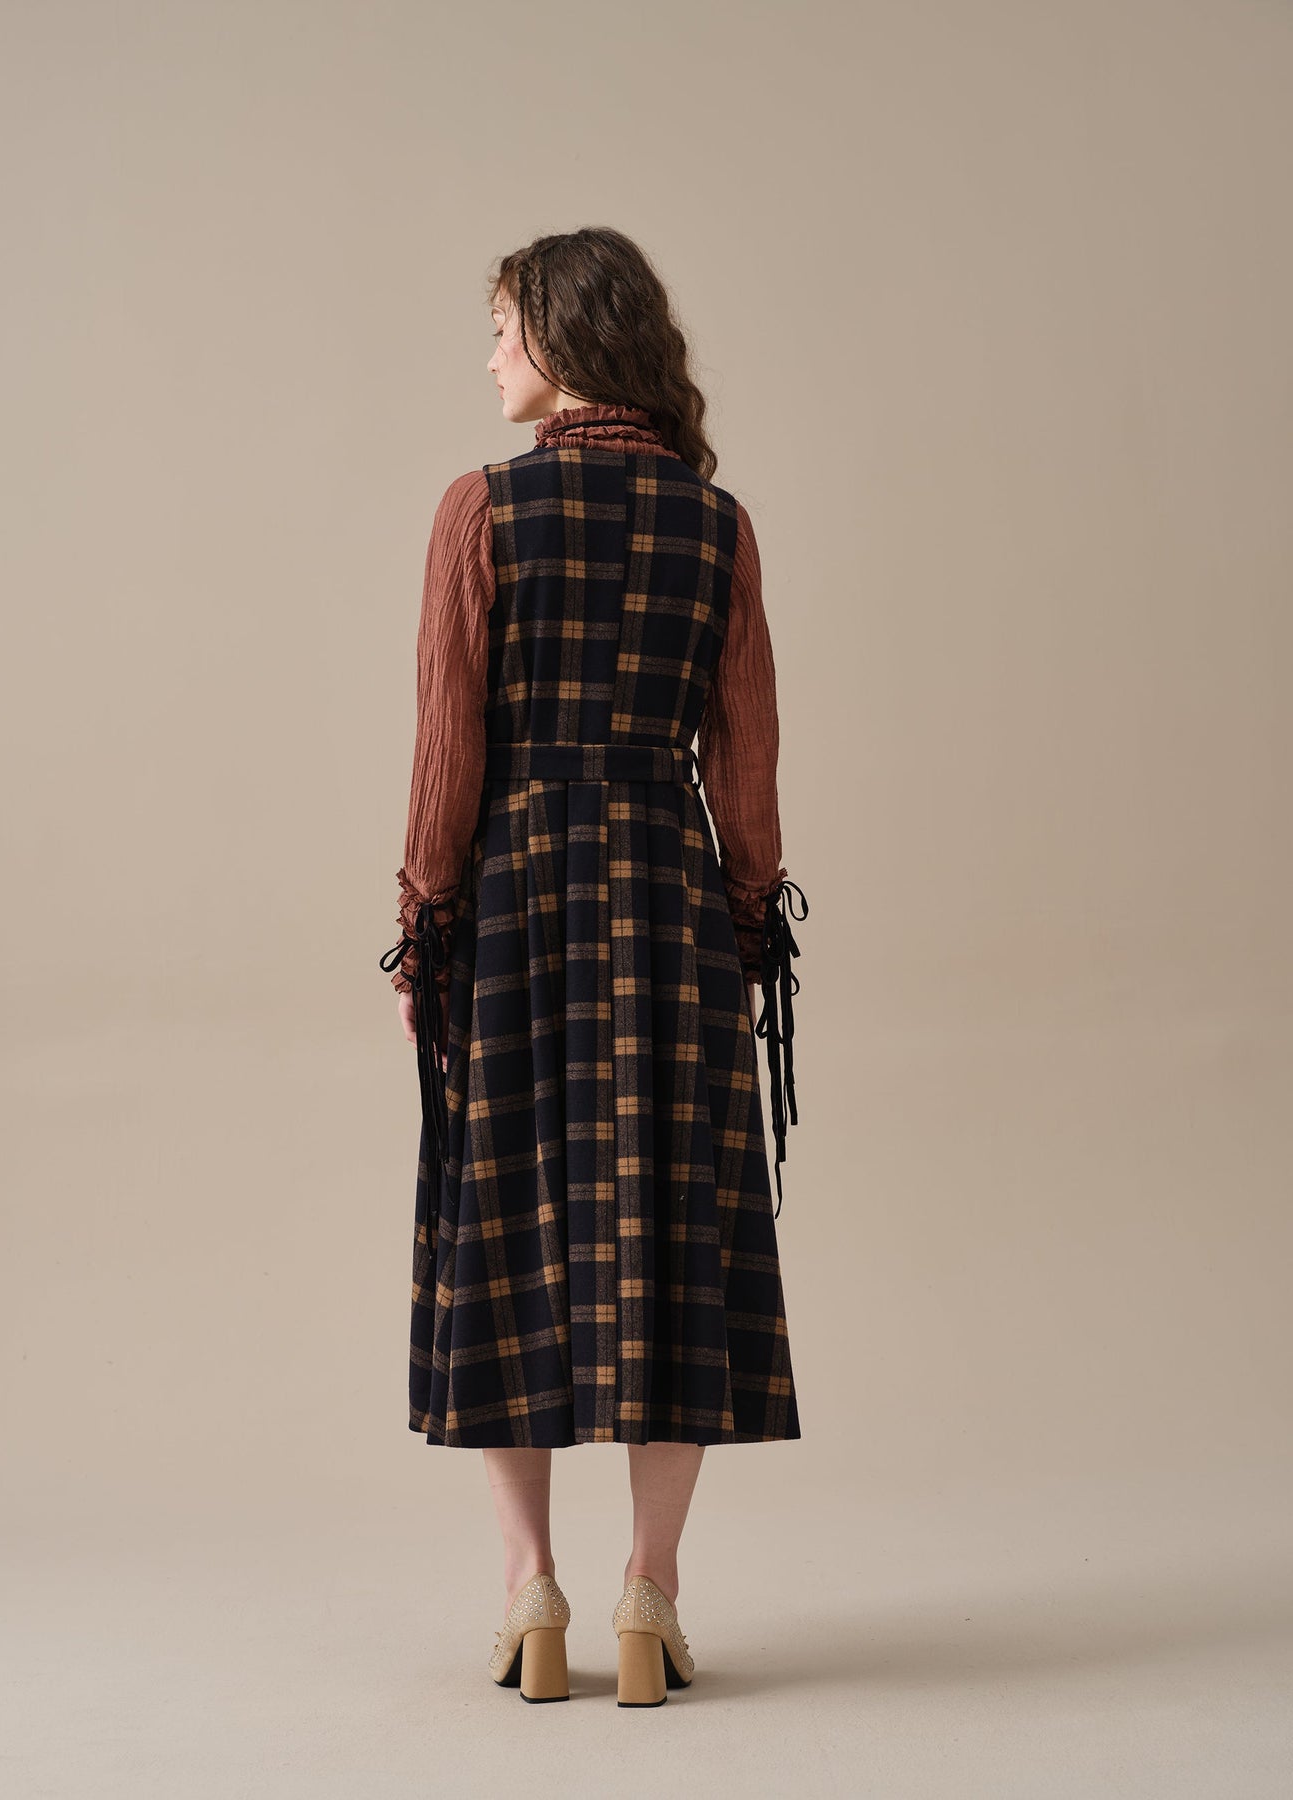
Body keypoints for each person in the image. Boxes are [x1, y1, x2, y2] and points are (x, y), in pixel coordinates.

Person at [379, 227, 809, 1705]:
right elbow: (745, 762)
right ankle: (651, 1591)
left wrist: (427, 920)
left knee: (506, 1218)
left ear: (565, 341)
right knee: (669, 1223)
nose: (491, 355)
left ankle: (531, 1589)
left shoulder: (480, 510)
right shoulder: (717, 526)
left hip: (514, 898)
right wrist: (746, 921)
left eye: (504, 328)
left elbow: (448, 751)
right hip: (666, 898)